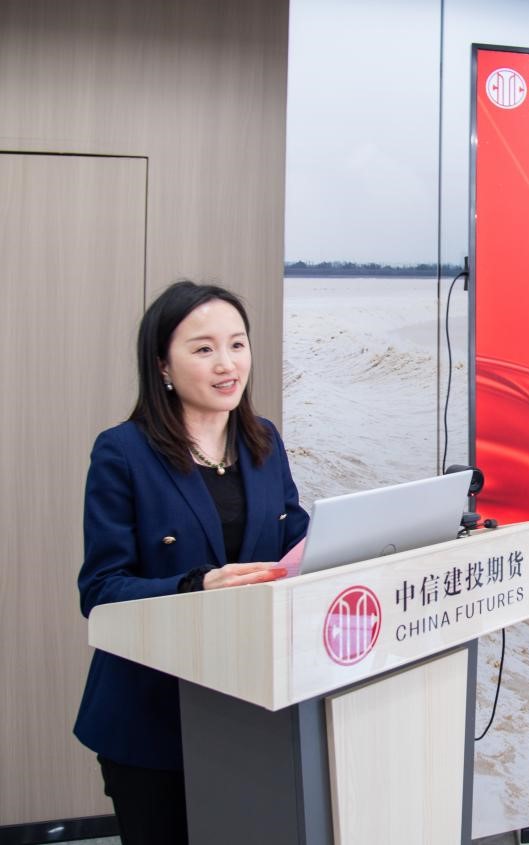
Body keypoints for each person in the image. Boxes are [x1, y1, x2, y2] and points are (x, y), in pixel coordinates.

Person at [74, 280, 309, 844]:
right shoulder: (122, 452)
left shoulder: (263, 440)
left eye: (237, 344)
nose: (227, 364)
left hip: (248, 705)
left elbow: (298, 542)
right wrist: (197, 584)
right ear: (162, 365)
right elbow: (100, 591)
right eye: (204, 349)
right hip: (152, 715)